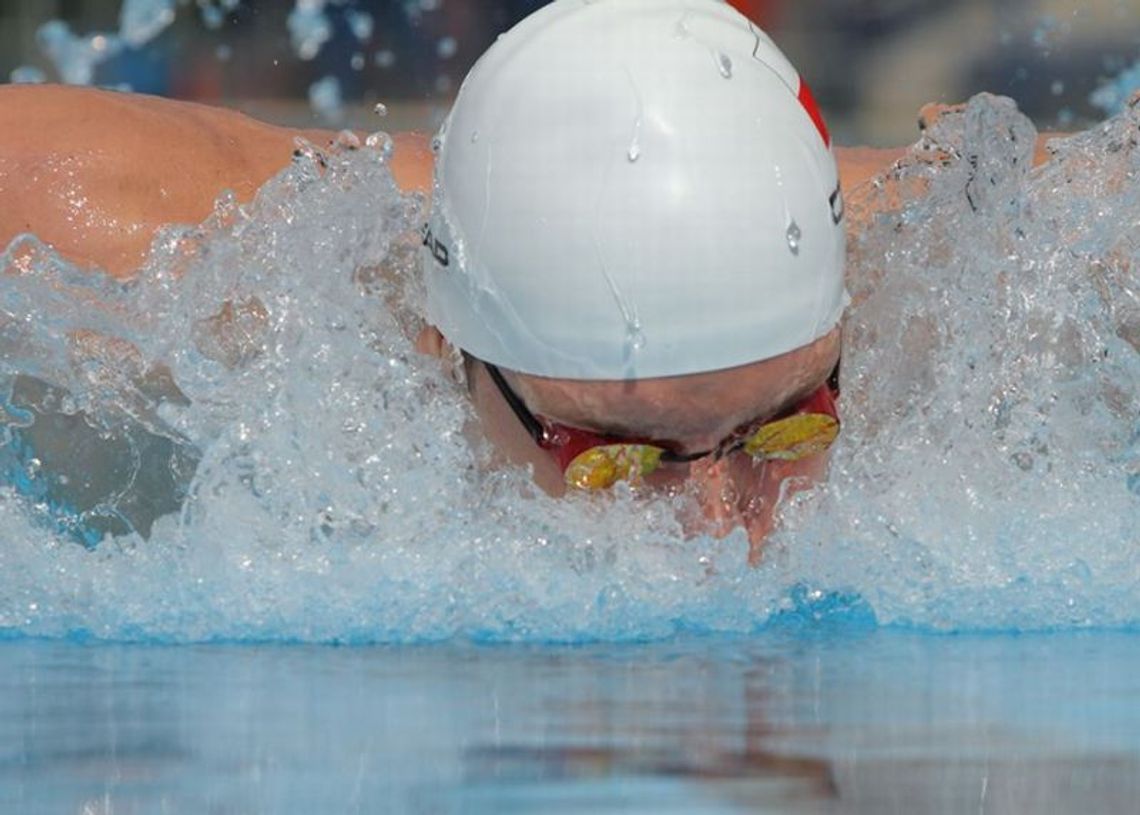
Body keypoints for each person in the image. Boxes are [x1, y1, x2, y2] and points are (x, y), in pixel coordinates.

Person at [0, 0, 1031, 557]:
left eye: (788, 425)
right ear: (449, 348)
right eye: (617, 457)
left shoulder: (955, 254)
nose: (720, 530)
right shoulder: (188, 274)